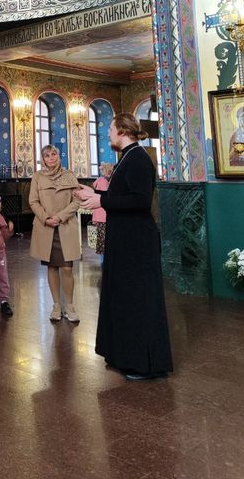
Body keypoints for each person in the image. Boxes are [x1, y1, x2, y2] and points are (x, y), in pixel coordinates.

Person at [74, 113, 173, 381]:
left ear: (122, 130)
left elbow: (140, 201)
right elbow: (121, 196)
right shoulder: (127, 157)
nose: (107, 133)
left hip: (136, 244)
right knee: (123, 298)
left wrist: (101, 201)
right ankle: (123, 355)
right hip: (125, 240)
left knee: (137, 301)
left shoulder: (138, 159)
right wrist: (95, 195)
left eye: (110, 129)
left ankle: (143, 364)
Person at [29, 145, 81, 323]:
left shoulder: (69, 174)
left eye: (54, 154)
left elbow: (77, 200)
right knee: (52, 267)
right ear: (43, 159)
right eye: (47, 155)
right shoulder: (38, 176)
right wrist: (46, 218)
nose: (51, 158)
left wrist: (60, 216)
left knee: (67, 268)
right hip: (46, 227)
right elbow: (33, 201)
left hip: (65, 226)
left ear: (59, 156)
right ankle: (56, 305)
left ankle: (70, 306)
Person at [90, 162, 114, 262]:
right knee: (104, 241)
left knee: (102, 239)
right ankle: (104, 262)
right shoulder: (103, 182)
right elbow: (107, 196)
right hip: (103, 215)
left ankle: (103, 261)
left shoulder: (99, 180)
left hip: (99, 215)